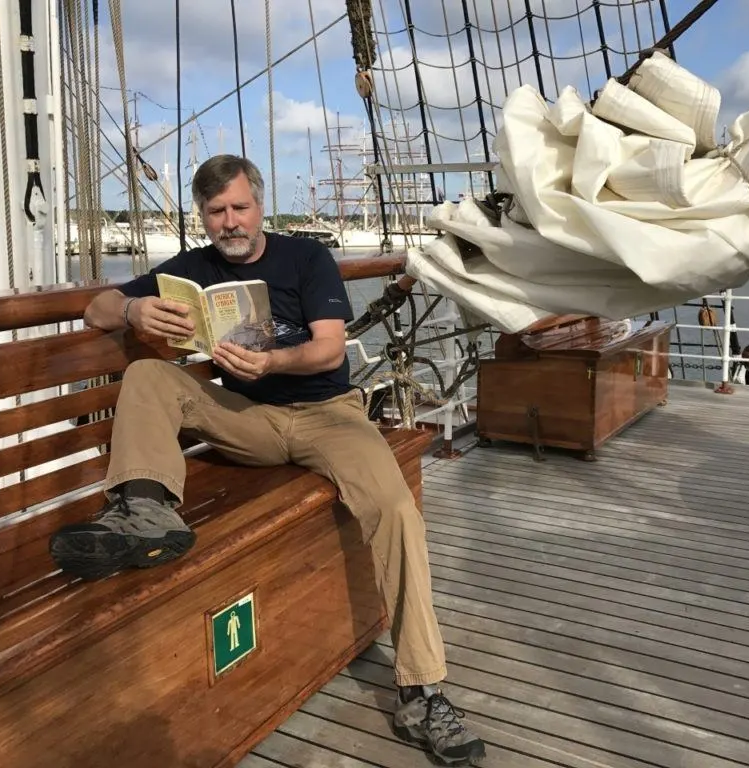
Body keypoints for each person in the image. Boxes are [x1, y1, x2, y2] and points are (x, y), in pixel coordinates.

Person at [48, 154, 486, 766]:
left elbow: (330, 348)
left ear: (258, 204)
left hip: (328, 414)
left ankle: (421, 688)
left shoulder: (306, 259)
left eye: (239, 207)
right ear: (203, 216)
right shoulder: (191, 268)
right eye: (215, 212)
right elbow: (95, 308)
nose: (229, 222)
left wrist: (274, 361)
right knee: (149, 372)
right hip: (249, 420)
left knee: (395, 509)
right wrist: (132, 310)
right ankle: (145, 513)